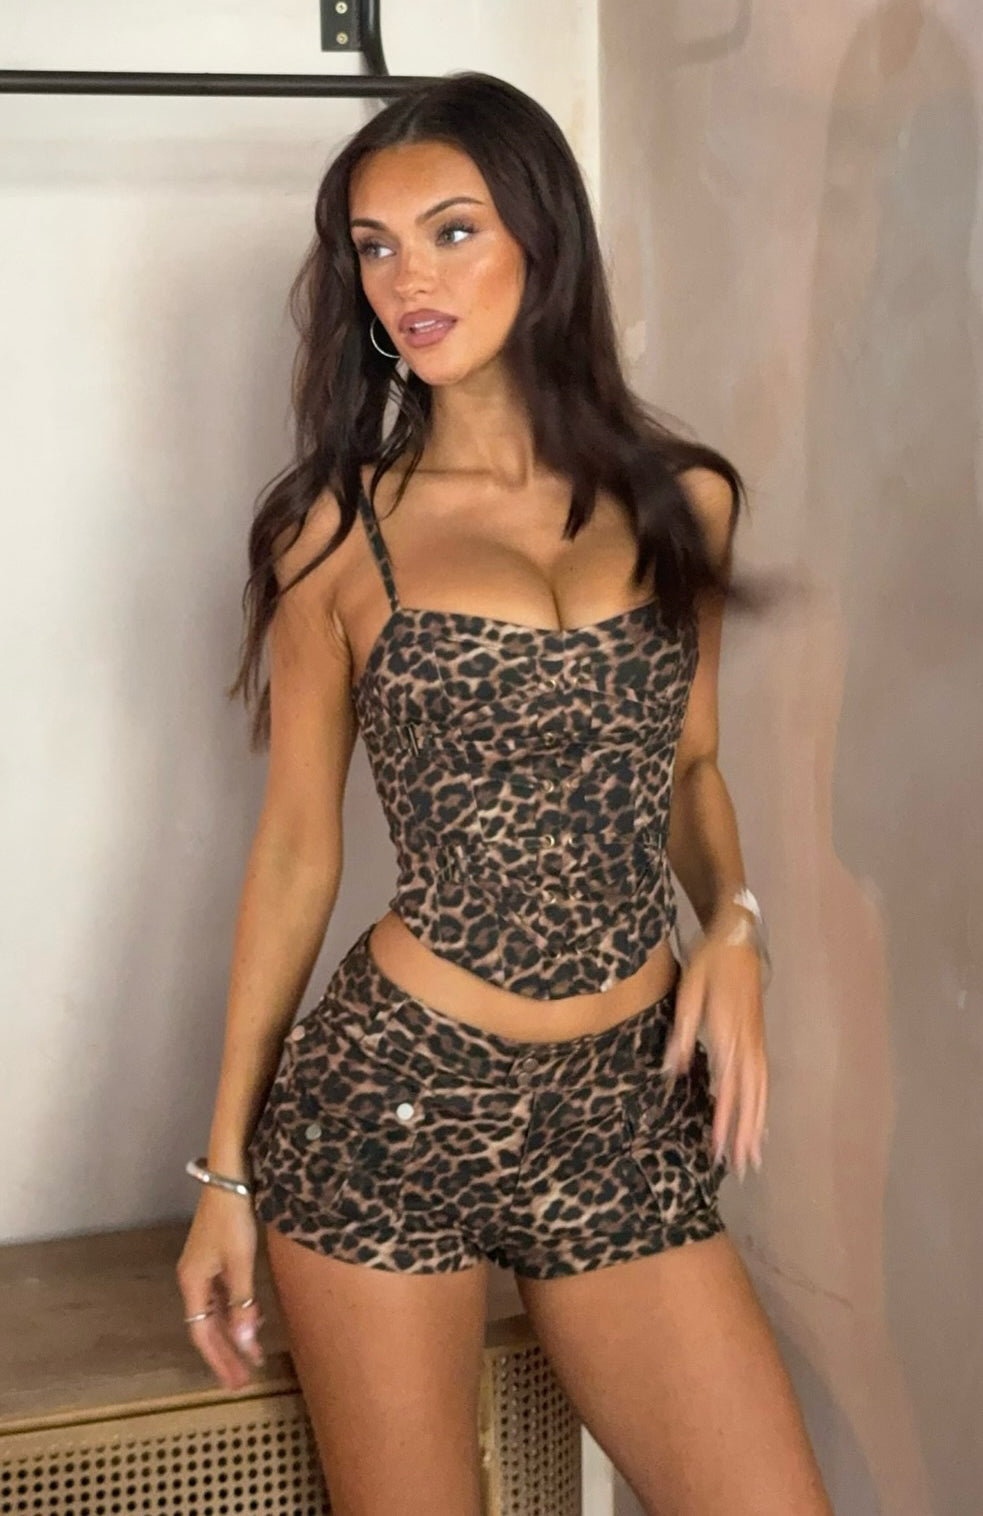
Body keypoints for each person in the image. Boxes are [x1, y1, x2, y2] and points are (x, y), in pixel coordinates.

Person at [177, 71, 833, 1516]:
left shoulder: (687, 500)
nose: (407, 277)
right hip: (392, 1107)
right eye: (375, 245)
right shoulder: (332, 533)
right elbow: (296, 854)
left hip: (622, 1111)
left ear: (544, 237)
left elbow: (689, 765)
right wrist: (224, 1175)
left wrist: (737, 922)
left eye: (452, 230)